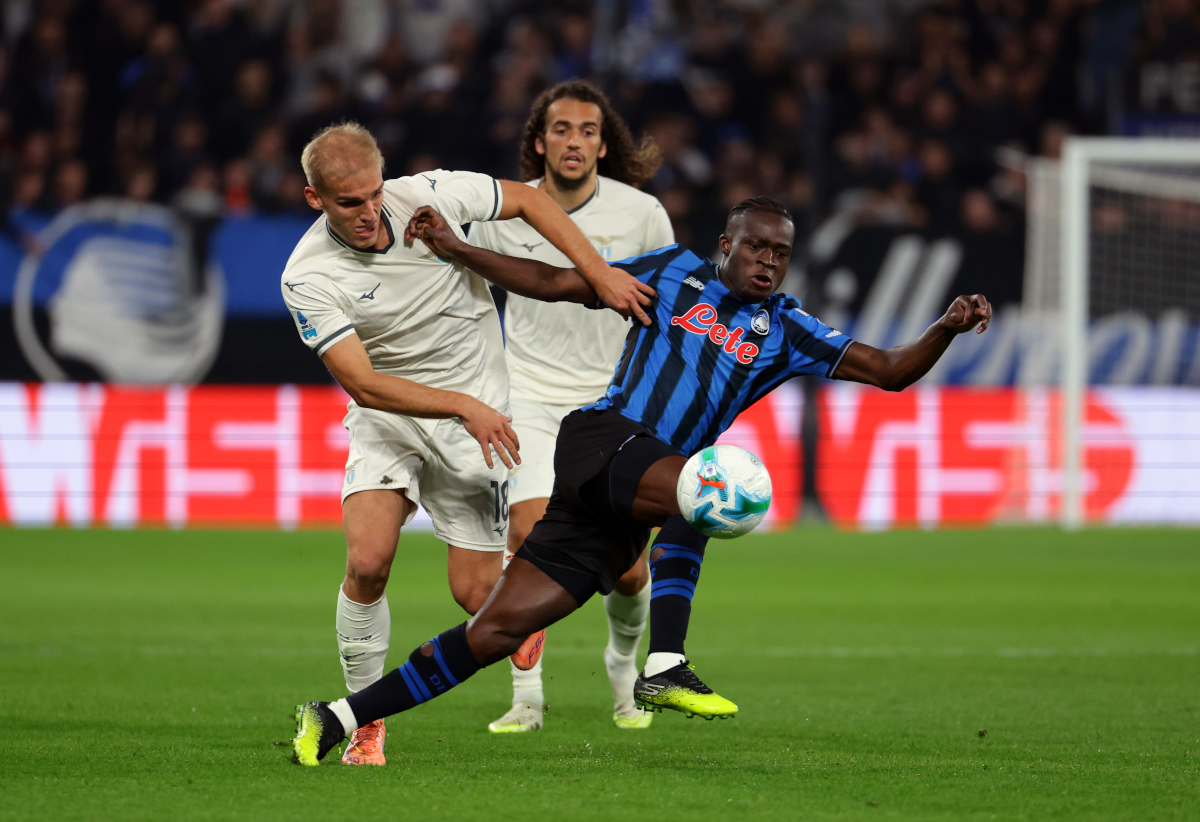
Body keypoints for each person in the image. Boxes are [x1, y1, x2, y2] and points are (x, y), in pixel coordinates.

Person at [290, 195, 992, 766]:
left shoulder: (787, 327)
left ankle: (337, 716)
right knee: (717, 486)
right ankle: (665, 662)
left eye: (780, 253)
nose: (768, 262)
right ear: (726, 244)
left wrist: (947, 327)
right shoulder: (672, 271)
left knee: (495, 631)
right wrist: (460, 249)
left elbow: (890, 371)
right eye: (756, 247)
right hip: (604, 439)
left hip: (628, 501)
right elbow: (558, 283)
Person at [280, 122, 654, 766]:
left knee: (479, 599)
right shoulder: (307, 275)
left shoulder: (432, 194)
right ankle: (365, 724)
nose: (369, 212)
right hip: (394, 417)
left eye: (374, 194)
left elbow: (530, 200)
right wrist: (463, 405)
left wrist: (598, 273)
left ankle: (520, 598)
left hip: (474, 428)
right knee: (367, 562)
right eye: (349, 203)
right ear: (315, 198)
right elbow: (363, 384)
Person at [469, 79, 673, 733]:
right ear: (540, 141)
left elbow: (668, 305)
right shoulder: (505, 209)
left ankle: (623, 668)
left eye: (588, 130)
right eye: (561, 129)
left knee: (629, 571)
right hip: (528, 395)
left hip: (612, 402)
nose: (574, 141)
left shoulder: (641, 213)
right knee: (527, 536)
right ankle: (526, 696)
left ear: (604, 145)